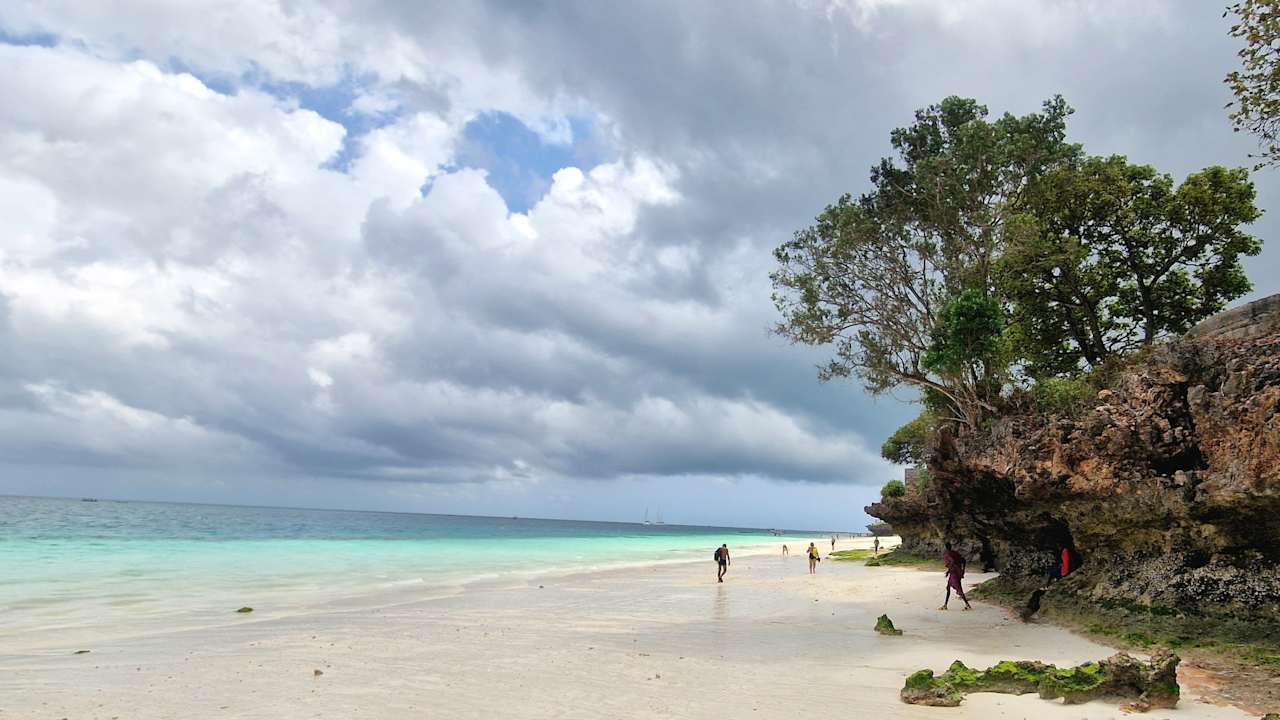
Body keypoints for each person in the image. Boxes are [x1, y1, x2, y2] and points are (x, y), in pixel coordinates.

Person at [940, 542, 973, 611]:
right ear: (951, 546)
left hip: (954, 573)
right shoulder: (955, 553)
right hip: (956, 572)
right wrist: (963, 570)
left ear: (945, 547)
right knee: (948, 587)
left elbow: (952, 561)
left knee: (959, 589)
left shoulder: (947, 554)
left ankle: (968, 605)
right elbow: (963, 560)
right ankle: (945, 605)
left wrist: (949, 570)